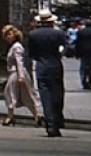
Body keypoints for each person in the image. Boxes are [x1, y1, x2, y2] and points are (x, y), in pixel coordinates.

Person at [27, 8, 66, 137]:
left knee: (45, 95)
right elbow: (67, 49)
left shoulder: (33, 35)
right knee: (57, 94)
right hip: (55, 65)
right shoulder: (59, 34)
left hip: (41, 66)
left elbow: (31, 53)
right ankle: (57, 120)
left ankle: (50, 123)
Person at [0, 24, 43, 127]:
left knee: (10, 94)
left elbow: (20, 62)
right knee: (25, 95)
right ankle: (36, 116)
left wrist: (20, 76)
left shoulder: (17, 47)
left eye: (10, 34)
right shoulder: (14, 46)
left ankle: (10, 117)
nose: (8, 37)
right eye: (6, 35)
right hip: (17, 73)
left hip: (16, 73)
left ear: (15, 34)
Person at [74, 18, 91, 90]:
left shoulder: (81, 32)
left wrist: (76, 53)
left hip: (83, 52)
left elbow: (78, 43)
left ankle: (84, 81)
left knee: (83, 67)